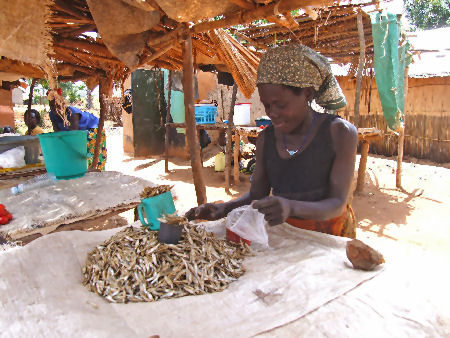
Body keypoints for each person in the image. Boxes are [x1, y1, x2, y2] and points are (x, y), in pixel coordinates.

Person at [186, 44, 358, 238]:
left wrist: (290, 206)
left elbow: (337, 203)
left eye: (280, 104)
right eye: (267, 105)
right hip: (285, 234)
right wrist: (224, 209)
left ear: (307, 94)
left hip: (330, 237)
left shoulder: (339, 133)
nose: (272, 113)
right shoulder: (266, 139)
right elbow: (256, 196)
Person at [47, 89, 107, 171]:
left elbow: (73, 136)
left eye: (56, 104)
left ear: (62, 103)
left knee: (92, 157)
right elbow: (57, 133)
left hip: (92, 130)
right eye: (51, 105)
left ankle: (96, 174)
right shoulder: (52, 114)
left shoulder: (72, 112)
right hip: (78, 135)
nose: (54, 107)